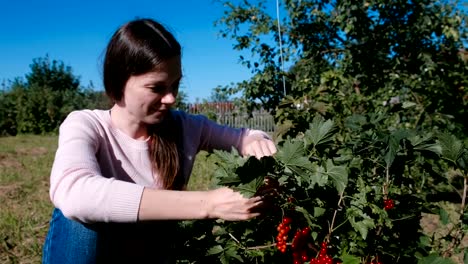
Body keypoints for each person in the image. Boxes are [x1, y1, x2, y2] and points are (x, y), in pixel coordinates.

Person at [41, 18, 277, 264]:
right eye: (157, 88)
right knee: (78, 220)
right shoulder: (86, 124)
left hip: (152, 253)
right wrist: (209, 204)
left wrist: (255, 142)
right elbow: (74, 192)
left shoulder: (184, 126)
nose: (171, 98)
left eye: (175, 85)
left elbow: (244, 136)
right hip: (98, 254)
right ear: (118, 81)